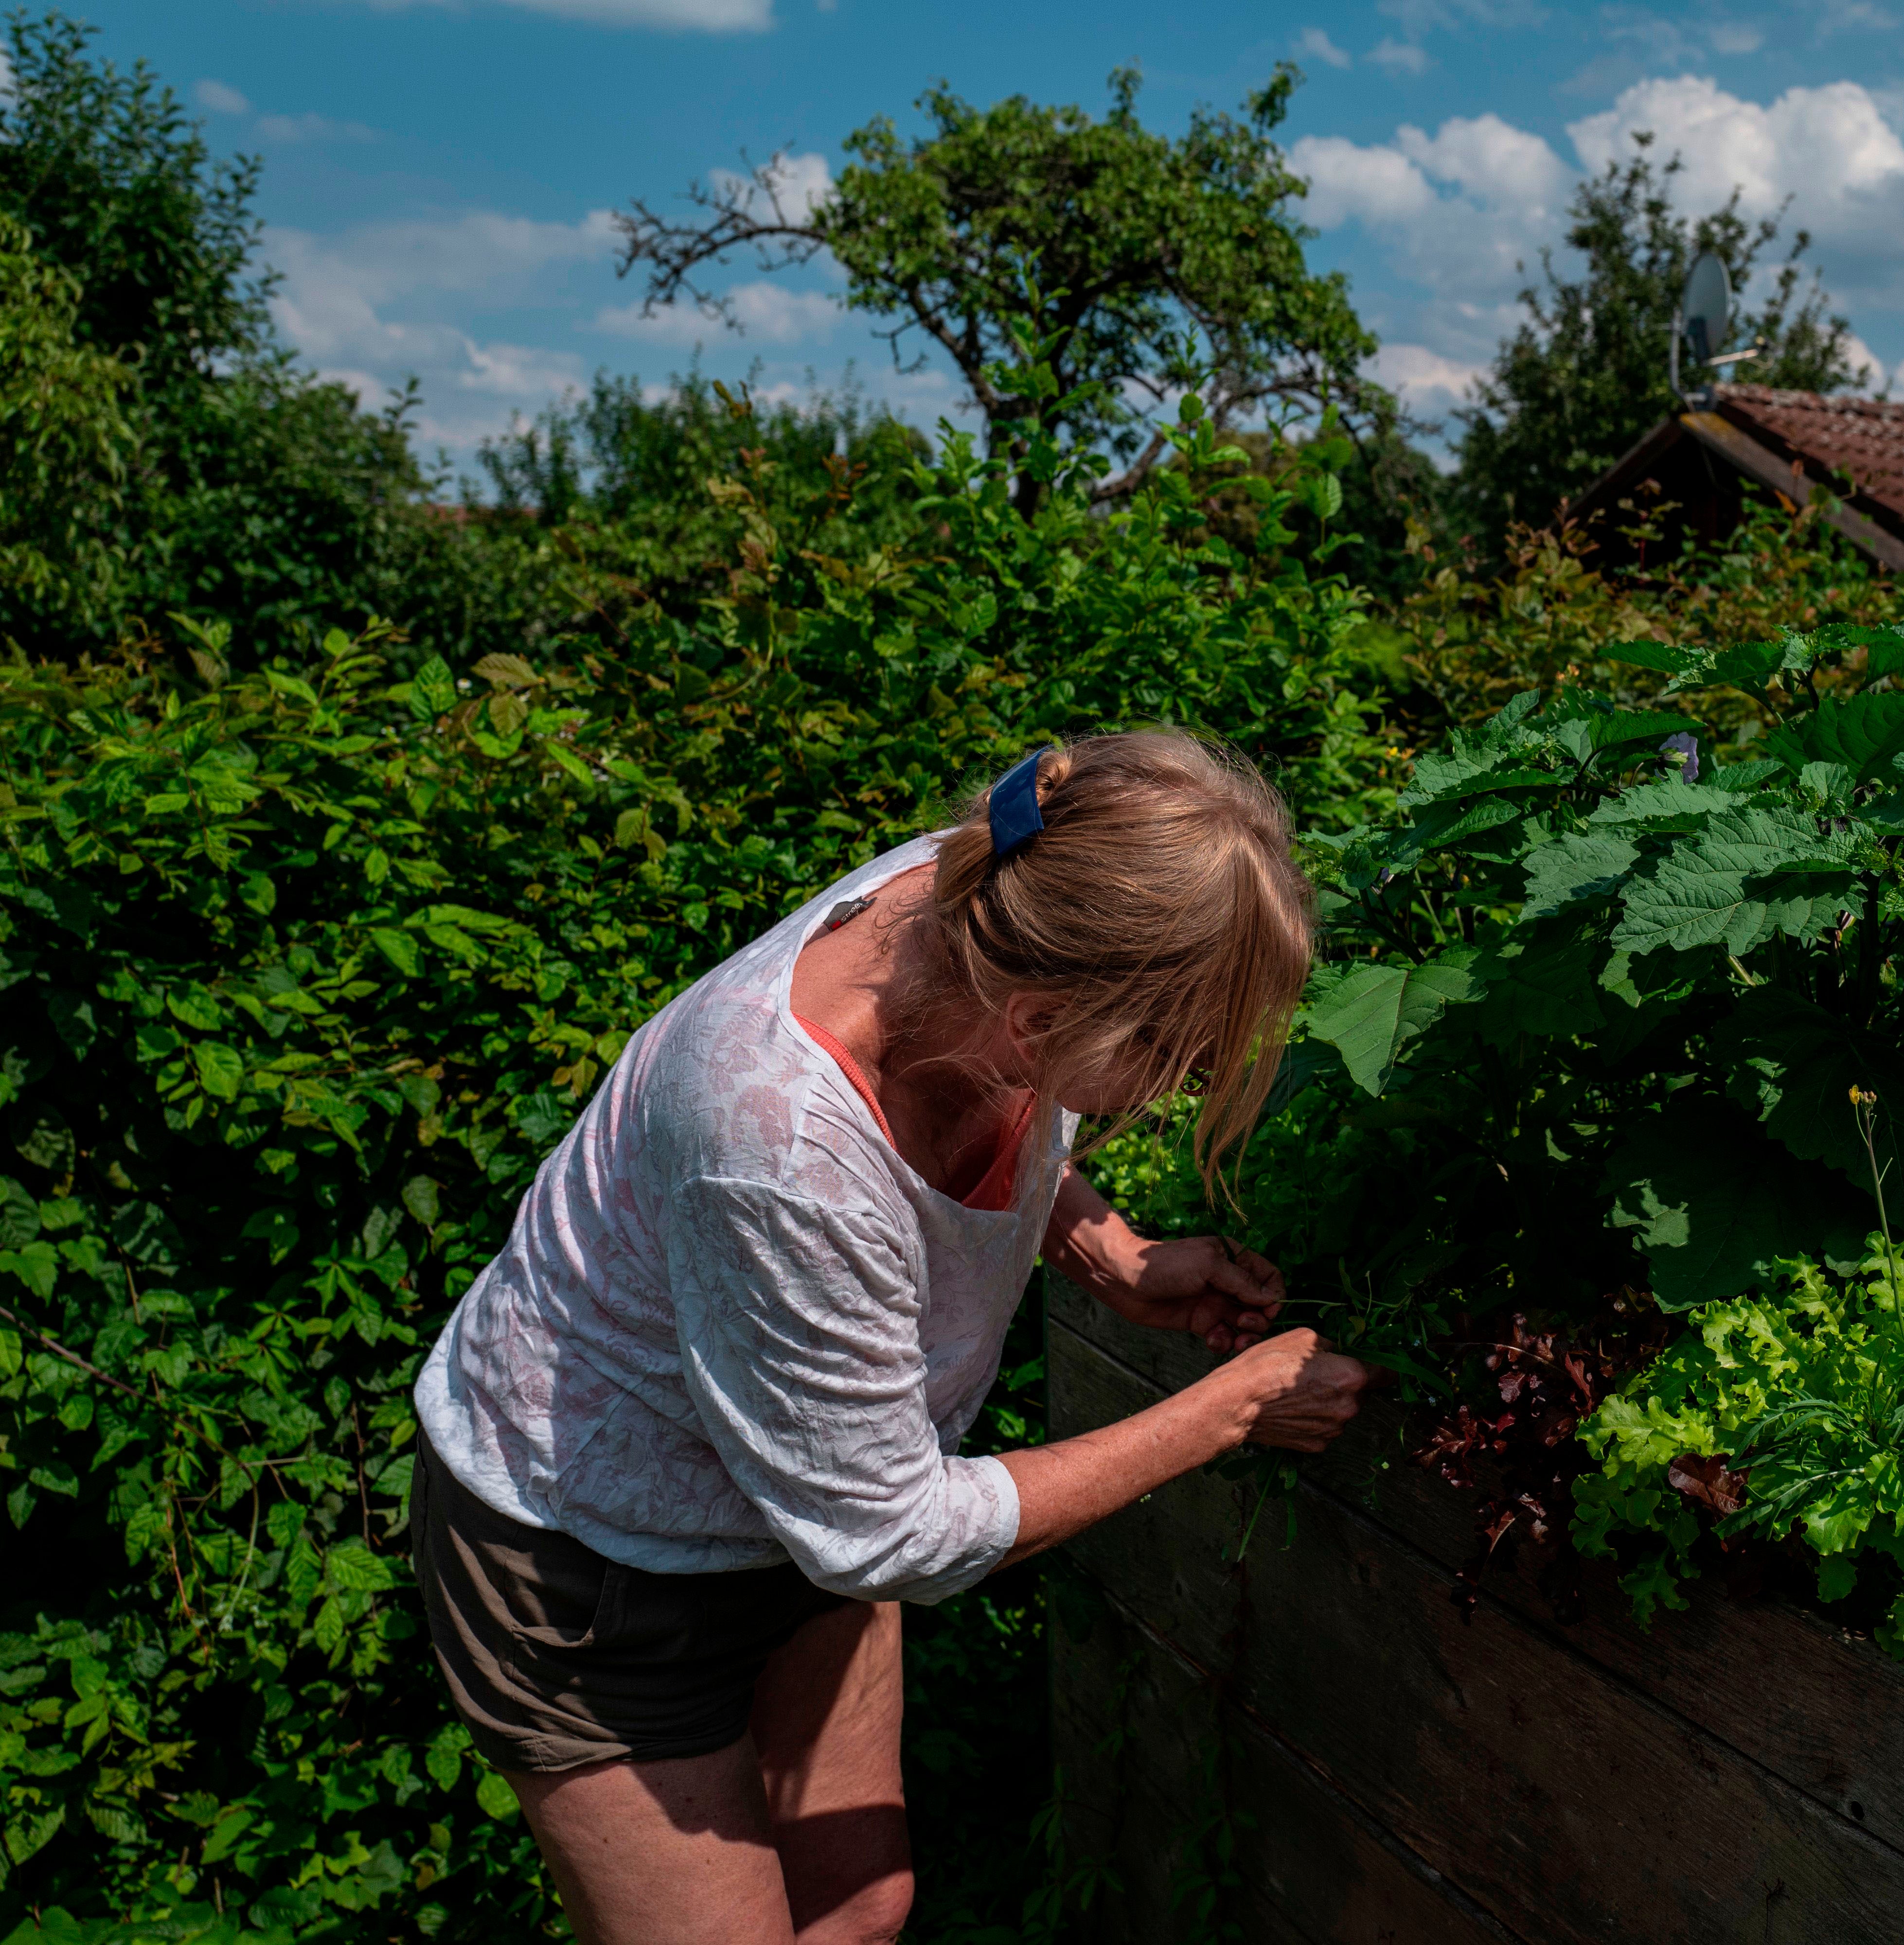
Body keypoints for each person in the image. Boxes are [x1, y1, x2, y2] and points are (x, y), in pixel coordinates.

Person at [409, 732, 1374, 1945]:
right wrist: (1229, 1407)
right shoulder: (773, 1140)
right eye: (1172, 1062)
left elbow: (992, 1100)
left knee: (864, 1908)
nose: (1176, 1091)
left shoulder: (1002, 887)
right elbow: (887, 1529)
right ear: (1036, 1015)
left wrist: (1112, 1256)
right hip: (592, 1561)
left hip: (785, 1514)